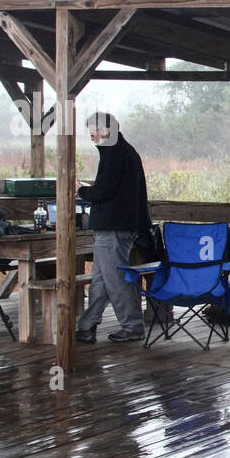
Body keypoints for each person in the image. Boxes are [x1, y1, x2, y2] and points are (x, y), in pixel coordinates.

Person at [75, 111, 151, 343]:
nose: (92, 137)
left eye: (93, 133)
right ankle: (87, 326)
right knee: (101, 278)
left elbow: (105, 190)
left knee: (115, 278)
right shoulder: (123, 151)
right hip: (118, 225)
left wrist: (80, 191)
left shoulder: (115, 152)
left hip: (114, 226)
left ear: (106, 131)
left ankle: (133, 326)